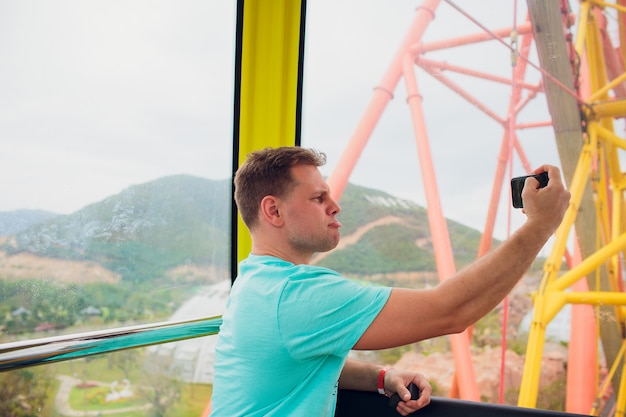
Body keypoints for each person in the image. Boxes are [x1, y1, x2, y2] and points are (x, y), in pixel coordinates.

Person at [210, 146, 570, 417]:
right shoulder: (297, 294)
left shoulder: (256, 280)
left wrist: (379, 378)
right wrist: (541, 225)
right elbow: (451, 311)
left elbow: (294, 365)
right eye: (319, 198)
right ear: (273, 211)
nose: (335, 206)